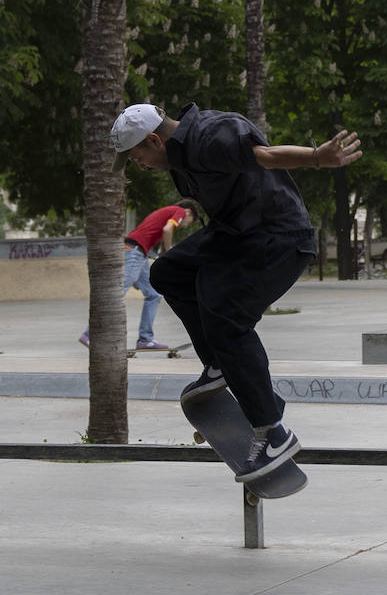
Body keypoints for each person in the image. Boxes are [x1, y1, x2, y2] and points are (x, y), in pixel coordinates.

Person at [111, 102, 361, 480]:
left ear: (153, 140)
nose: (139, 165)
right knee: (168, 273)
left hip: (278, 238)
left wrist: (316, 157)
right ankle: (219, 365)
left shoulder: (212, 135)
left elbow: (267, 156)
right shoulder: (179, 154)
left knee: (226, 320)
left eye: (137, 156)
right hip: (235, 236)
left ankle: (272, 431)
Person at [78, 200, 198, 350]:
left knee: (154, 294)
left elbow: (162, 238)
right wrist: (171, 252)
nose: (184, 225)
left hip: (138, 253)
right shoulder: (179, 211)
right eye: (188, 222)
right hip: (134, 252)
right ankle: (89, 334)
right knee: (117, 292)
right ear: (188, 213)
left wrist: (163, 254)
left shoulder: (165, 211)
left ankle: (145, 339)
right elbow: (168, 230)